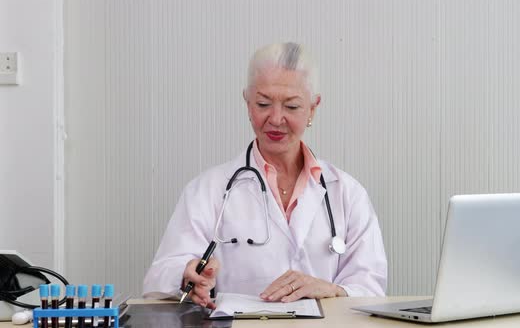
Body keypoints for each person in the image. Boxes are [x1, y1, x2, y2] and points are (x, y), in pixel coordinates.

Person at [143, 42, 387, 308]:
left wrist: (330, 289)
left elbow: (371, 287)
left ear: (313, 108)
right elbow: (160, 276)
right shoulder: (208, 190)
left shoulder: (347, 193)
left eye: (292, 107)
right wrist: (186, 274)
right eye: (263, 104)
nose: (276, 118)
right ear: (247, 103)